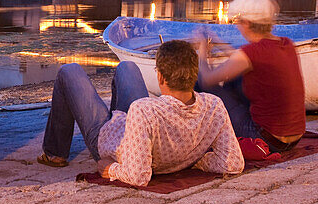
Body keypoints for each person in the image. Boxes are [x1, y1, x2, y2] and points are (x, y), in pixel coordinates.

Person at [38, 40, 243, 187]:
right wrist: (196, 160)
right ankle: (55, 151)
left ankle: (54, 153)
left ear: (161, 77)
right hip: (133, 127)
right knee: (128, 66)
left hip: (106, 138)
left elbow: (138, 177)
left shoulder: (143, 109)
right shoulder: (214, 105)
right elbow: (233, 163)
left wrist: (110, 169)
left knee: (69, 71)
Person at [194, 0, 306, 152]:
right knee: (237, 76)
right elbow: (243, 59)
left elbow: (207, 79)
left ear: (246, 23)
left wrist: (202, 51)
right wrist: (219, 43)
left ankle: (194, 138)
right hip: (293, 138)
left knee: (197, 80)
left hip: (265, 140)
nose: (237, 26)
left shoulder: (250, 53)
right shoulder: (286, 44)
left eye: (237, 22)